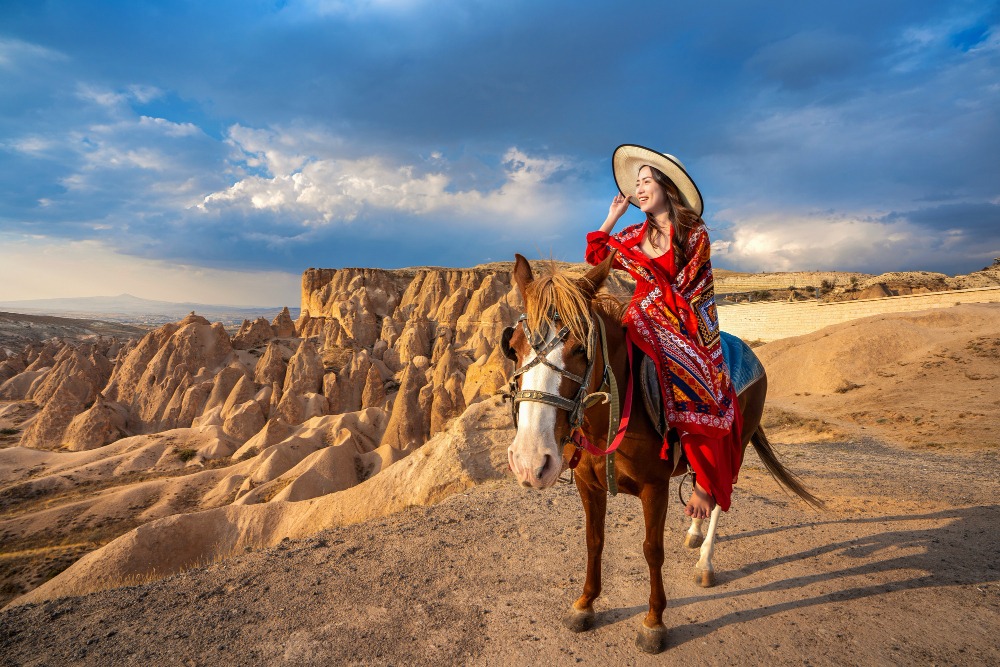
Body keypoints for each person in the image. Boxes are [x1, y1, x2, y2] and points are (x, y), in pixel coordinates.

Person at [585, 144, 742, 520]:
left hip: (685, 317)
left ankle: (703, 482)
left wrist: (662, 306)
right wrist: (611, 216)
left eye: (646, 181)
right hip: (641, 314)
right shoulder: (632, 233)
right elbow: (596, 255)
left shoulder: (694, 233)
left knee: (701, 381)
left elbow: (693, 285)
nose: (639, 189)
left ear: (666, 187)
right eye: (636, 183)